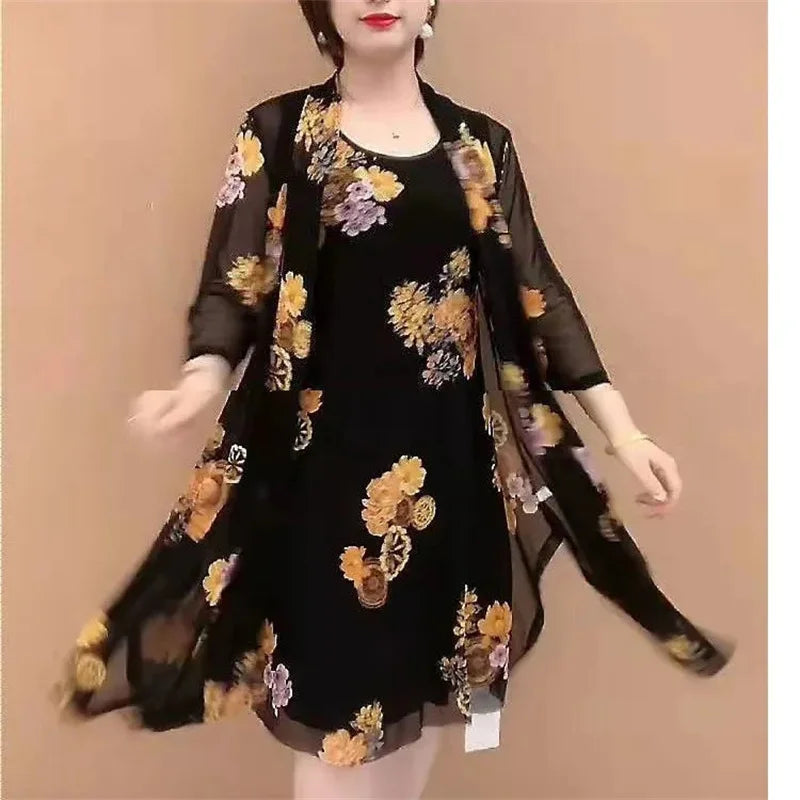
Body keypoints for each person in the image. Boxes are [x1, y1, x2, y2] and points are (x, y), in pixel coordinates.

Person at [56, 2, 732, 798]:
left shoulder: (479, 146)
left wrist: (625, 434)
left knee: (422, 708)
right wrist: (201, 379)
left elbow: (540, 297)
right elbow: (236, 284)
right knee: (339, 732)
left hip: (453, 483)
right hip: (326, 490)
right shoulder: (279, 133)